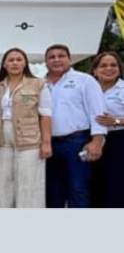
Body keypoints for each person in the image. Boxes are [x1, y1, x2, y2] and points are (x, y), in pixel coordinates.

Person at [44, 44, 106, 208]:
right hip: (48, 144)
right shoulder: (40, 83)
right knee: (52, 190)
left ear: (69, 59)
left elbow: (97, 112)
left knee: (78, 188)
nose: (56, 59)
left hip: (77, 142)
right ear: (46, 61)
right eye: (52, 57)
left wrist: (97, 141)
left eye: (61, 56)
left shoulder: (84, 80)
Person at [0, 48, 52, 208]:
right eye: (11, 60)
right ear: (4, 64)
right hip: (1, 138)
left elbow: (45, 114)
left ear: (25, 63)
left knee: (29, 182)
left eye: (19, 59)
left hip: (29, 139)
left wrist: (46, 142)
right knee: (1, 181)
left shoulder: (38, 84)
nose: (15, 63)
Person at [89, 52, 124, 207]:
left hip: (118, 141)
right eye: (103, 65)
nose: (108, 68)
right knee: (94, 184)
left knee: (115, 185)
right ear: (94, 70)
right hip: (90, 140)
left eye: (113, 65)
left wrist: (115, 121)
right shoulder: (88, 88)